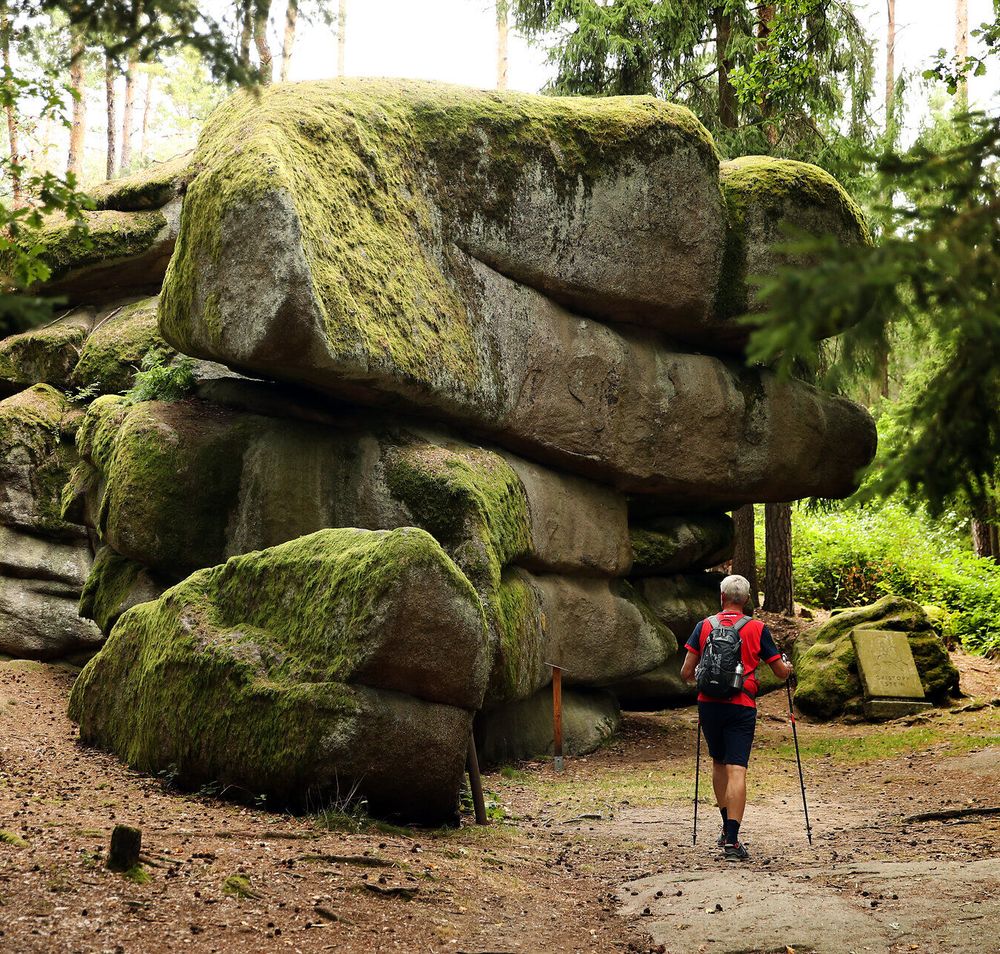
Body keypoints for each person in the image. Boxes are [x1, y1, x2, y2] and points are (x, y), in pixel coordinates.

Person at [679, 573, 793, 861]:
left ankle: (724, 826)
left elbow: (685, 673)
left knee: (718, 762)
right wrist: (788, 668)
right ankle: (732, 840)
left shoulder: (704, 626)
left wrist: (706, 682)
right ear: (747, 600)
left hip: (709, 705)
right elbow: (779, 671)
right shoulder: (757, 628)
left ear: (722, 598)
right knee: (737, 769)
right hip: (741, 705)